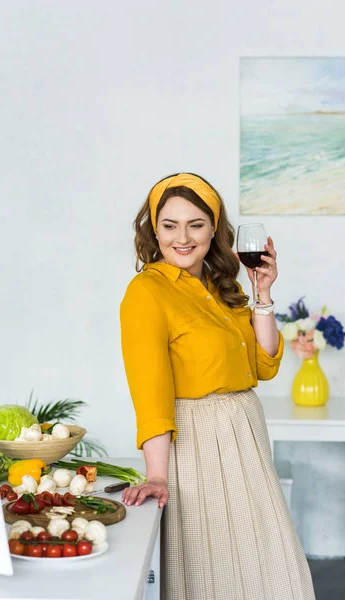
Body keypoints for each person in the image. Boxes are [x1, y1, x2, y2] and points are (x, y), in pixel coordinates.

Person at [119, 172, 316, 600]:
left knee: (272, 570)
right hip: (197, 444)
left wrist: (261, 292)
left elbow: (263, 365)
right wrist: (156, 473)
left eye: (196, 224)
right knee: (216, 573)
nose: (182, 237)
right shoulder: (146, 292)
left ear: (215, 229)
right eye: (169, 225)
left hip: (246, 435)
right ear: (155, 230)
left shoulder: (218, 286)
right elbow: (149, 389)